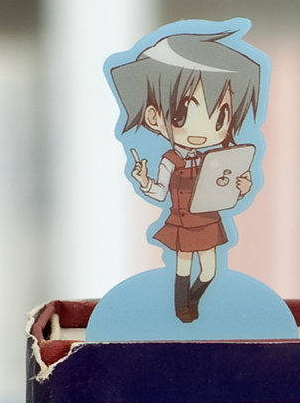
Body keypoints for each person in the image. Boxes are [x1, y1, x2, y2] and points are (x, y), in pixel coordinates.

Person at [109, 31, 260, 323]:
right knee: (182, 266)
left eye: (221, 117)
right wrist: (143, 180)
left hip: (209, 219)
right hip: (181, 219)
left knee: (210, 271)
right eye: (181, 115)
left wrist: (241, 187)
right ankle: (182, 310)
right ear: (154, 117)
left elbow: (224, 189)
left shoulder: (214, 160)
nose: (202, 131)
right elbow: (158, 192)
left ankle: (194, 302)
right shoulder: (170, 159)